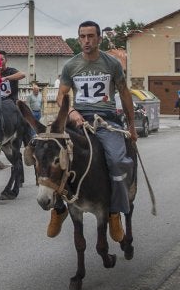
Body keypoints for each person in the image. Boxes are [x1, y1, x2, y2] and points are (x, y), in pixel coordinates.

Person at [48, 20, 136, 242]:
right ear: (78, 39)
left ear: (98, 38)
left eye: (90, 36)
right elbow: (61, 96)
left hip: (105, 121)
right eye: (82, 37)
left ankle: (115, 213)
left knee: (117, 161)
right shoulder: (71, 66)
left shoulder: (112, 64)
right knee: (49, 152)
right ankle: (59, 208)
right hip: (77, 119)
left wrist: (132, 126)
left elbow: (125, 94)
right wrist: (71, 112)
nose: (86, 41)